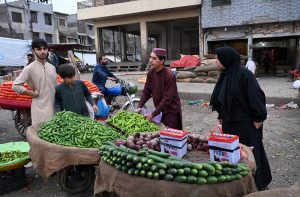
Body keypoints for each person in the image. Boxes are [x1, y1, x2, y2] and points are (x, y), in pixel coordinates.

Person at [210, 46, 272, 191]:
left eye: (218, 58)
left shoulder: (245, 74)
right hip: (229, 123)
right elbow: (222, 98)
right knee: (234, 154)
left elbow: (255, 97)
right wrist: (221, 115)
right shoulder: (225, 75)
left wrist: (259, 118)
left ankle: (258, 183)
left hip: (246, 124)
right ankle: (239, 184)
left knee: (251, 153)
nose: (216, 61)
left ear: (227, 59)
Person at [13, 38, 57, 126]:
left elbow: (56, 85)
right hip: (40, 108)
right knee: (42, 132)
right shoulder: (29, 68)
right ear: (33, 51)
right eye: (39, 49)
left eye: (45, 49)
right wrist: (32, 94)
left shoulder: (52, 67)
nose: (43, 51)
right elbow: (16, 86)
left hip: (55, 106)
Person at [137, 48, 182, 130]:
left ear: (162, 61)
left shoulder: (169, 75)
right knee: (159, 135)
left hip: (171, 111)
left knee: (170, 136)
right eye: (150, 57)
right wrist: (140, 106)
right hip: (159, 109)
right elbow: (147, 91)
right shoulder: (151, 73)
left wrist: (153, 114)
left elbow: (168, 99)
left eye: (154, 58)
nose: (150, 60)